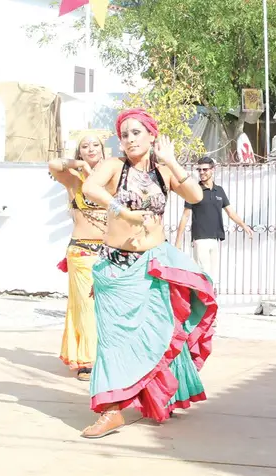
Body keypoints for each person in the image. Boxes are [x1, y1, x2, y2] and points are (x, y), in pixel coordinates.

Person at [79, 108, 217, 439]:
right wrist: (121, 209)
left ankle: (157, 395)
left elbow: (196, 196)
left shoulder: (161, 171)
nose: (129, 139)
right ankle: (111, 411)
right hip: (115, 269)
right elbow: (89, 189)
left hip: (152, 266)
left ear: (152, 135)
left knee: (156, 337)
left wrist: (170, 161)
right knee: (112, 343)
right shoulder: (114, 167)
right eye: (124, 134)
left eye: (136, 132)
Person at [48, 133, 108, 381]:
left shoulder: (114, 175)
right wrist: (81, 166)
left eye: (95, 145)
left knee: (109, 308)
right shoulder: (74, 180)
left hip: (112, 251)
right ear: (79, 152)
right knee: (86, 307)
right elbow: (52, 165)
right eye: (85, 146)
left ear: (103, 149)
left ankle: (110, 356)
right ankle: (88, 360)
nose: (91, 149)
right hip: (82, 250)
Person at [175, 156, 253, 293]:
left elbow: (231, 213)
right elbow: (185, 215)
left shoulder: (219, 191)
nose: (202, 172)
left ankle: (208, 304)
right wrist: (178, 241)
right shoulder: (194, 190)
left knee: (211, 275)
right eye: (199, 170)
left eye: (205, 169)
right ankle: (203, 305)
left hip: (214, 239)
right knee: (203, 274)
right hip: (200, 238)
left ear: (213, 170)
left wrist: (244, 226)